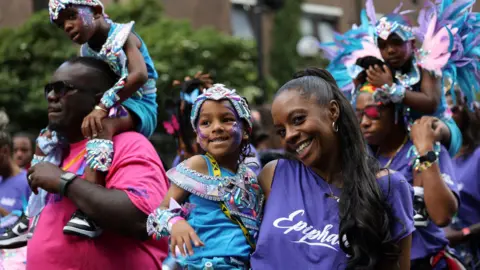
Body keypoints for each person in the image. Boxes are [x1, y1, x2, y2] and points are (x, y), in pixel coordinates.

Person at [251, 68, 414, 270]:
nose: (290, 135)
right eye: (281, 131)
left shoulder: (388, 186)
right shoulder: (274, 175)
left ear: (333, 111)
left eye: (298, 119)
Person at [29, 0, 159, 238]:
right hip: (111, 103)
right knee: (46, 138)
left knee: (101, 126)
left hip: (139, 104)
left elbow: (138, 75)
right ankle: (31, 214)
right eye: (61, 24)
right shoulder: (86, 51)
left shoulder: (123, 35)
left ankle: (90, 211)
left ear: (97, 11)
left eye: (71, 16)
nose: (67, 26)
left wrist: (102, 106)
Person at [24, 57, 168, 269]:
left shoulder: (129, 144)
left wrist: (63, 181)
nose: (52, 96)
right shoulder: (56, 153)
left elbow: (144, 220)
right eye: (50, 89)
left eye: (62, 89)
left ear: (99, 99)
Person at [354, 72, 464, 269]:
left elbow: (442, 216)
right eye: (359, 114)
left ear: (396, 111)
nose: (364, 122)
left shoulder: (426, 148)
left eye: (372, 112)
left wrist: (425, 151)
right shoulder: (363, 159)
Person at [147, 84, 263, 269]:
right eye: (206, 123)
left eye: (226, 119)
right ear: (198, 135)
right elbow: (157, 214)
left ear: (246, 131)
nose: (216, 128)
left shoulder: (250, 176)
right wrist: (175, 223)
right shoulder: (197, 165)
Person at [444, 89, 480, 269]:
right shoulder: (438, 157)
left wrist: (463, 233)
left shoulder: (478, 156)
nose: (447, 116)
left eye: (453, 110)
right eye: (444, 110)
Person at [0, 131, 31, 247]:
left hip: (15, 257)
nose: (20, 154)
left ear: (4, 151)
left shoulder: (28, 182)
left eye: (24, 150)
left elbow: (31, 225)